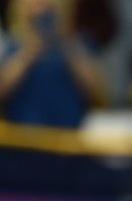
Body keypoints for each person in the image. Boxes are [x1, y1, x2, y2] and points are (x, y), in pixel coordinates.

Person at [0, 0, 106, 128]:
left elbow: (98, 93)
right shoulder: (13, 45)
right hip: (23, 133)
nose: (42, 9)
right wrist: (28, 53)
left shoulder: (78, 43)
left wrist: (67, 44)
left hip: (70, 133)